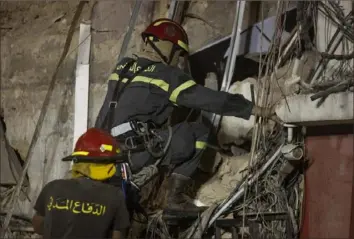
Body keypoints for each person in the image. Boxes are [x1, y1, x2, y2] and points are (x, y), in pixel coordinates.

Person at [95, 18, 277, 212]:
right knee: (199, 132)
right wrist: (257, 110)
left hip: (103, 151)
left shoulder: (122, 67)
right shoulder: (166, 74)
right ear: (168, 48)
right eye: (179, 54)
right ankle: (175, 198)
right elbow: (213, 100)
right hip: (134, 155)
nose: (178, 61)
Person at [32, 128, 130, 239]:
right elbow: (118, 236)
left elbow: (37, 226)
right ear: (106, 164)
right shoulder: (115, 196)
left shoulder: (52, 188)